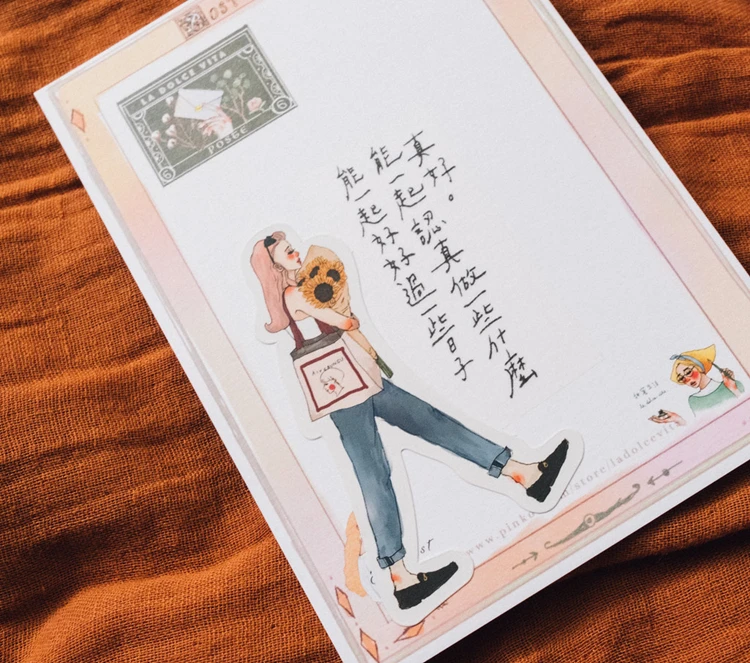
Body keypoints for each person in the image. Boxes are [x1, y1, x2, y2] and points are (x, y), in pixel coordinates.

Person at [251, 231, 569, 610]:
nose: (296, 252)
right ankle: (401, 578)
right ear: (275, 266)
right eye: (288, 251)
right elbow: (345, 322)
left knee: (427, 424)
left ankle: (525, 474)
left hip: (359, 381)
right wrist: (344, 308)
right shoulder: (295, 295)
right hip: (346, 389)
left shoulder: (293, 294)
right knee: (375, 472)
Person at [650, 344, 744, 426]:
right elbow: (705, 428)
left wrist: (733, 388)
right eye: (682, 378)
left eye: (688, 372)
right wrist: (678, 419)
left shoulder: (734, 385)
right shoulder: (694, 401)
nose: (688, 380)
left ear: (699, 367)